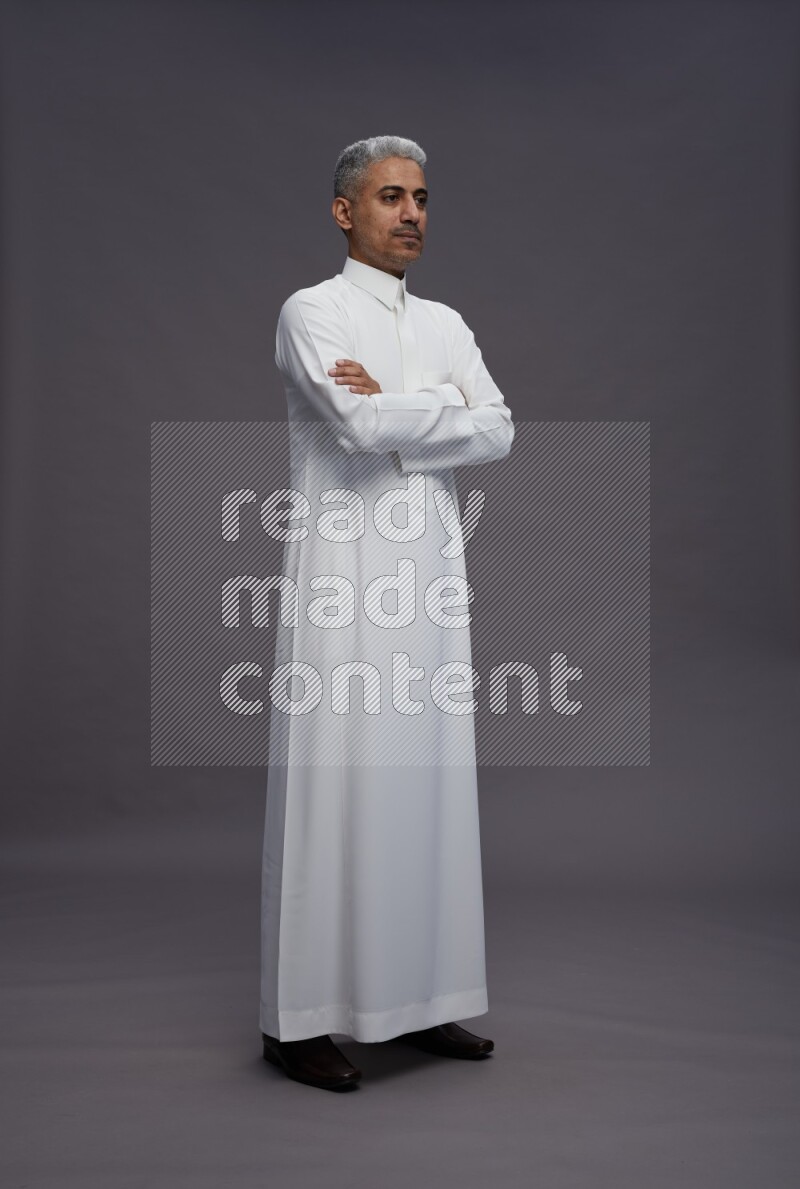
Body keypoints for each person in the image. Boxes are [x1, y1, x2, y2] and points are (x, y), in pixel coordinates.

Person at [260, 135, 515, 1090]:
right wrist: (435, 409)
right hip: (340, 571)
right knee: (334, 783)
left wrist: (407, 404)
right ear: (344, 212)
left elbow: (500, 426)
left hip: (430, 573)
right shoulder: (310, 313)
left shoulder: (445, 320)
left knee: (431, 783)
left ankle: (421, 1000)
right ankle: (299, 1020)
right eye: (388, 197)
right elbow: (355, 425)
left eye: (419, 198)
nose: (410, 213)